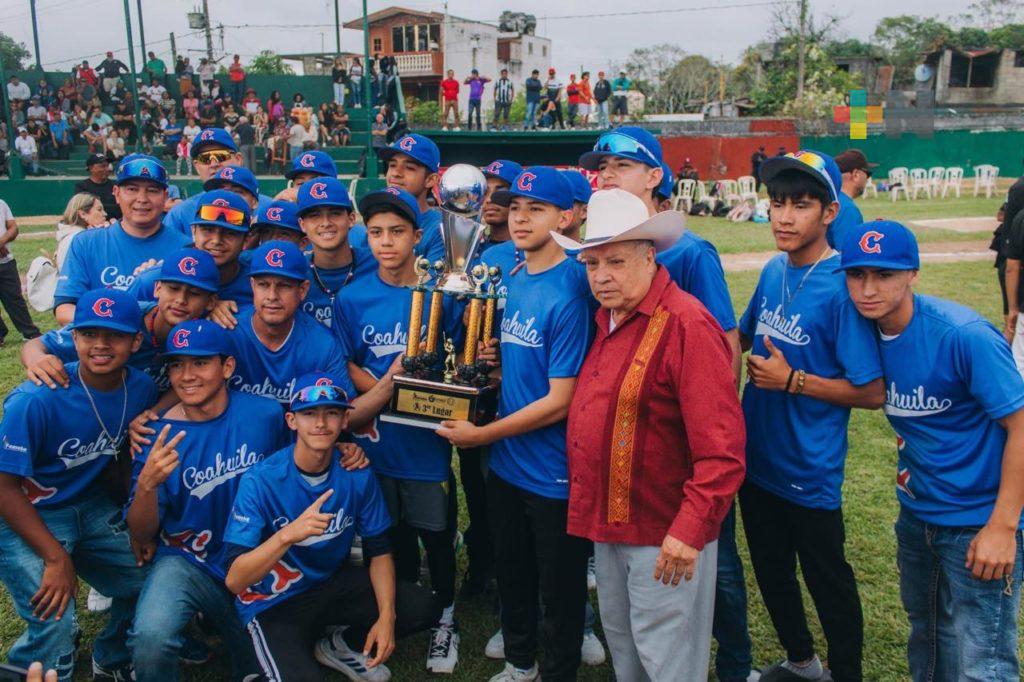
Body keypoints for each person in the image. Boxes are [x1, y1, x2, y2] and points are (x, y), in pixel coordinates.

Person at [554, 188, 745, 682]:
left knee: (668, 658)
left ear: (649, 256)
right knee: (626, 646)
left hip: (664, 531)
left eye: (615, 261)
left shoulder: (687, 324)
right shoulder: (608, 316)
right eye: (592, 263)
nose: (601, 276)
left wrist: (688, 531)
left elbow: (722, 450)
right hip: (611, 523)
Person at [839, 220, 1024, 682]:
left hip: (977, 522)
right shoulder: (865, 334)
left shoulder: (963, 334)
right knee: (929, 637)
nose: (868, 289)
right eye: (857, 274)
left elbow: (1021, 425)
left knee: (985, 662)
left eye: (884, 274)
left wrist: (1003, 527)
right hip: (918, 516)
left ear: (913, 274)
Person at [437, 167, 591, 682]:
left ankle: (559, 673)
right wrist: (499, 367)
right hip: (508, 464)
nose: (521, 218)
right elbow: (531, 367)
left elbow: (561, 400)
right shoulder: (517, 277)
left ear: (564, 218)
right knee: (513, 572)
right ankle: (520, 665)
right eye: (516, 207)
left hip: (553, 471)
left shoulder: (572, 288)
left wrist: (482, 436)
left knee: (560, 590)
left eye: (536, 209)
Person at [739, 150, 885, 682]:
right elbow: (741, 336)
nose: (783, 217)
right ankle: (802, 662)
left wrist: (794, 381)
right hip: (756, 460)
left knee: (828, 582)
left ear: (830, 211)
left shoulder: (842, 288)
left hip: (809, 470)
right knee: (771, 570)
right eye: (777, 203)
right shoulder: (773, 270)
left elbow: (872, 391)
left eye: (800, 205)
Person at [223, 371, 441, 681]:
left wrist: (387, 617)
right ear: (291, 421)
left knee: (422, 606)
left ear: (344, 420)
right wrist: (287, 536)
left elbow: (379, 551)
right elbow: (235, 580)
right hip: (274, 602)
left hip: (328, 585)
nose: (321, 423)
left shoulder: (356, 470)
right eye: (309, 413)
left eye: (332, 413)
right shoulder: (261, 480)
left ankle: (340, 644)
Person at [332, 186, 465, 673]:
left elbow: (459, 359)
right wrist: (388, 389)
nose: (385, 242)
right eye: (375, 233)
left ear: (415, 237)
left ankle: (446, 615)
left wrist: (418, 391)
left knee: (437, 532)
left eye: (396, 232)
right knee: (390, 532)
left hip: (425, 439)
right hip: (376, 439)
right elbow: (346, 360)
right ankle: (411, 608)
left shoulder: (437, 293)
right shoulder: (353, 297)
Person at [0, 288, 156, 681]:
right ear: (74, 338)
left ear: (136, 341)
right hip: (26, 512)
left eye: (115, 335)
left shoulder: (140, 388)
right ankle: (32, 665)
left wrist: (135, 519)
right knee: (52, 615)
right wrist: (56, 558)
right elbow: (3, 487)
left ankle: (112, 655)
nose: (100, 344)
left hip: (88, 504)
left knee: (149, 579)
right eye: (89, 334)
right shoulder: (36, 398)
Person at [126, 319, 290, 682]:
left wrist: (344, 449)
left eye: (200, 362)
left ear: (227, 367)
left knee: (262, 667)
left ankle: (222, 624)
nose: (187, 376)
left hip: (254, 560)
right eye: (177, 364)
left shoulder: (265, 415)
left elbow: (296, 472)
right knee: (150, 639)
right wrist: (147, 486)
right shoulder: (157, 436)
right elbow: (141, 533)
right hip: (189, 562)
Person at [28, 248, 221, 398]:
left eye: (194, 293)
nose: (181, 300)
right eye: (173, 288)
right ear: (157, 288)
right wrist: (36, 358)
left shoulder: (203, 330)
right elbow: (36, 345)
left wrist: (153, 412)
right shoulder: (125, 315)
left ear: (211, 302)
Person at [54, 155, 188, 325]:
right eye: (132, 189)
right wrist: (114, 322)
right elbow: (64, 309)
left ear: (165, 196)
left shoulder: (185, 248)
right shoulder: (86, 242)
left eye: (152, 190)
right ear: (117, 194)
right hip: (102, 338)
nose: (142, 199)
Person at [352, 133, 445, 265]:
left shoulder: (440, 228)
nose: (396, 173)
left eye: (409, 168)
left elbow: (430, 278)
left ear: (430, 180)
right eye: (392, 165)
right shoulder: (378, 222)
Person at [296, 178, 375, 327]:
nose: (325, 223)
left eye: (335, 213)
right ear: (302, 224)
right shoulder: (294, 271)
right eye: (314, 215)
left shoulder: (377, 263)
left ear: (351, 219)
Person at [164, 127, 244, 238]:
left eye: (221, 156)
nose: (213, 164)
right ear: (197, 166)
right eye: (205, 158)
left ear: (238, 159)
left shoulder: (264, 209)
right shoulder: (180, 214)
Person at [0, 200, 41, 343]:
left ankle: (30, 333)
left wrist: (1, 242)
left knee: (14, 298)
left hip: (5, 261)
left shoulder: (1, 204)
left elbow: (13, 228)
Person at [830, 149, 877, 250]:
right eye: (867, 174)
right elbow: (848, 254)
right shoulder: (847, 209)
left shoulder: (830, 199)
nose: (867, 179)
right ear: (855, 174)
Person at [55, 193, 106, 271]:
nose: (105, 214)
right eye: (99, 210)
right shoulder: (78, 239)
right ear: (83, 214)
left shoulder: (73, 235)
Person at [74, 153, 120, 219]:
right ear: (91, 168)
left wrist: (95, 207)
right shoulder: (82, 187)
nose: (107, 169)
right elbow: (82, 209)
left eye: (107, 166)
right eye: (102, 166)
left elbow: (122, 208)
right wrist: (113, 208)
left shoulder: (116, 185)